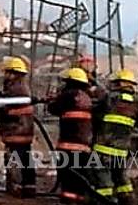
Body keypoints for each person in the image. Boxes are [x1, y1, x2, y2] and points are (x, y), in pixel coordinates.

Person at [91, 69, 138, 205]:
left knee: (103, 183)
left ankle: (106, 202)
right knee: (122, 182)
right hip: (121, 151)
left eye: (114, 83)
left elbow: (94, 114)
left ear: (120, 83)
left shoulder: (110, 98)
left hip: (103, 150)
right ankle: (130, 202)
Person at [46, 67, 96, 203]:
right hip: (84, 145)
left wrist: (51, 100)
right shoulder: (87, 97)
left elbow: (53, 108)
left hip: (68, 144)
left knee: (67, 175)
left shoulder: (68, 95)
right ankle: (80, 199)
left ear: (70, 82)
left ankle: (68, 200)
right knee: (79, 174)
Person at [0, 57, 37, 197]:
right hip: (24, 131)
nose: (5, 75)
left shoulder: (15, 88)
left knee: (14, 161)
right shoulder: (21, 87)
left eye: (7, 72)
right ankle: (29, 188)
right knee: (26, 160)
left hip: (15, 131)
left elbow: (5, 108)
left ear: (13, 73)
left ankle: (16, 189)